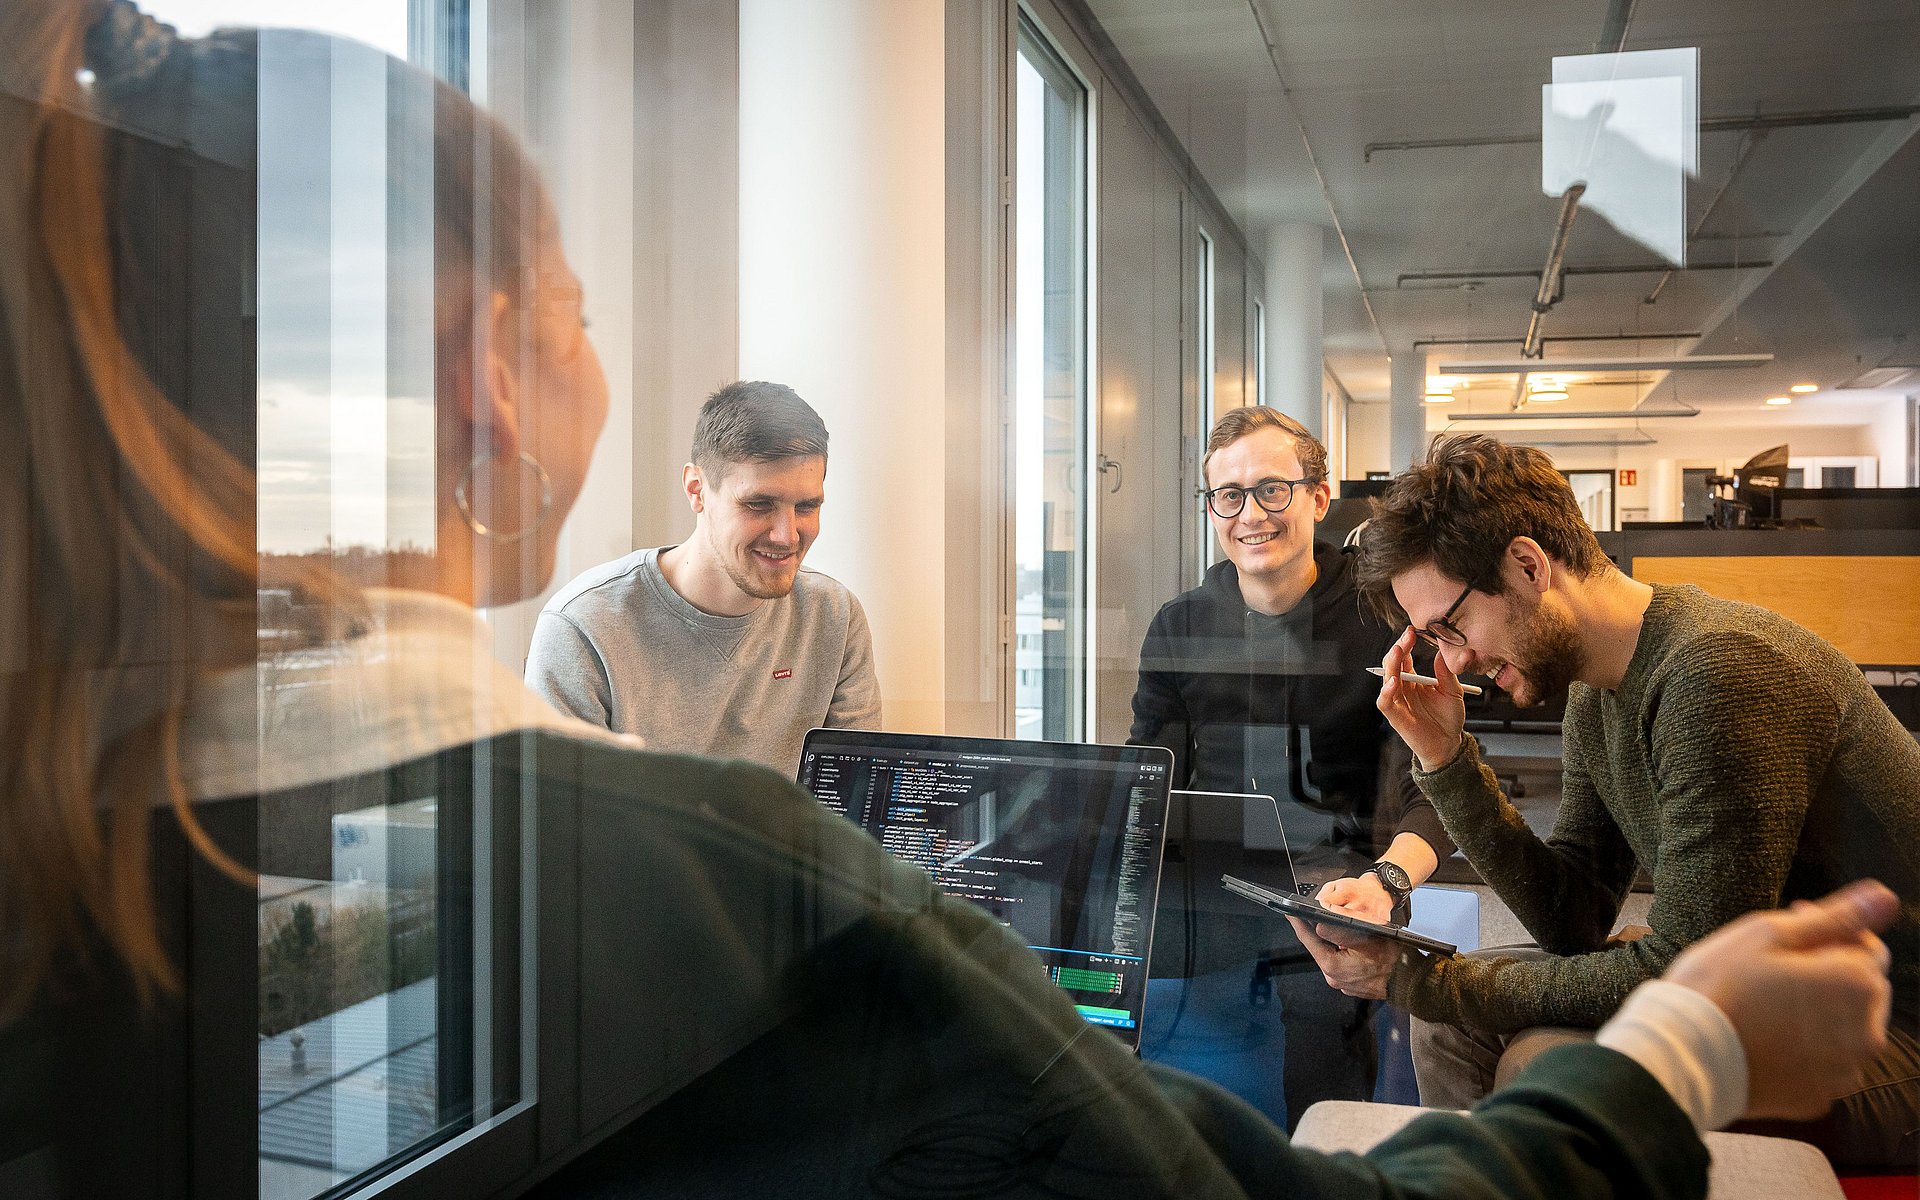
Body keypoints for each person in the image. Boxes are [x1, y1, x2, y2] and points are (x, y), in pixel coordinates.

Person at [0, 7, 1903, 1197]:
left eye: (1274, 491)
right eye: (570, 304)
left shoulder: (84, 854)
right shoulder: (721, 876)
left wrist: (1406, 875)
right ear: (497, 371)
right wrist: (1690, 1045)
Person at [1298, 432, 1920, 1168]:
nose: (1456, 661)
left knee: (1542, 1062)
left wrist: (1417, 978)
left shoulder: (1720, 672)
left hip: (1884, 1019)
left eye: (1452, 627)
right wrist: (1446, 760)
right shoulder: (1596, 691)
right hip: (1777, 992)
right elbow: (1575, 917)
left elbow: (1686, 969)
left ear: (1528, 566)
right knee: (1451, 1024)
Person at [1128, 406, 1454, 1126]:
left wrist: (1387, 882)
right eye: (1229, 495)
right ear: (1211, 509)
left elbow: (1442, 786)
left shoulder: (1385, 619)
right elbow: (1148, 777)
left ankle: (1322, 1157)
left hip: (1346, 878)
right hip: (1215, 877)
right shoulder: (1182, 625)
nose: (1250, 514)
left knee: (1320, 1018)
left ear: (1319, 496)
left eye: (1272, 489)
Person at [525, 380, 880, 775]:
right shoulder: (584, 626)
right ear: (697, 490)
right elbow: (566, 808)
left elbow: (854, 796)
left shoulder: (834, 615)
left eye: (806, 507)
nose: (787, 535)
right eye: (759, 504)